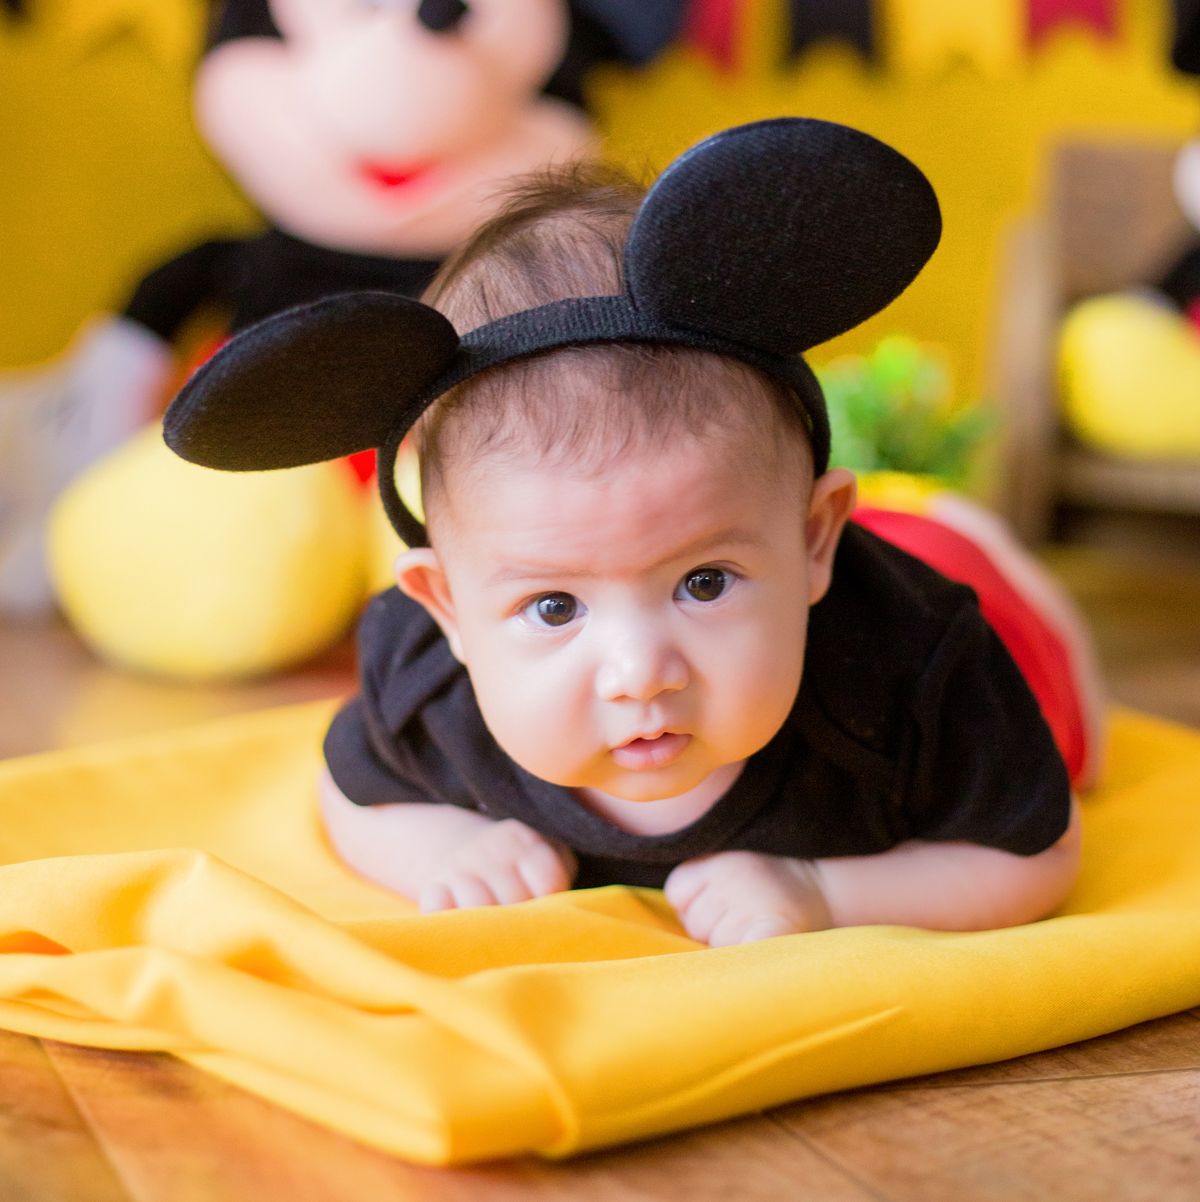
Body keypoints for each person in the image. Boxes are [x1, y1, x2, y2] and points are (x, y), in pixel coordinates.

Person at [165, 119, 1082, 947]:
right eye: (554, 605)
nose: (641, 670)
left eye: (705, 582)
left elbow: (1034, 855)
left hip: (960, 597)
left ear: (813, 541)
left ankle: (955, 531)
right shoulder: (426, 679)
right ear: (444, 606)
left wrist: (825, 894)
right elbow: (353, 788)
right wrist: (443, 848)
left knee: (1066, 712)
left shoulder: (913, 666)